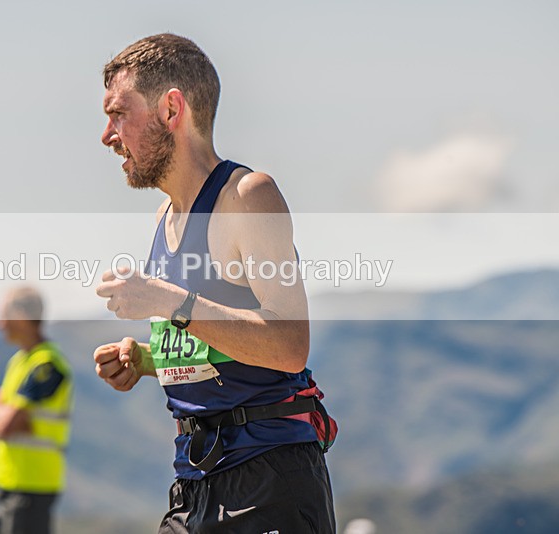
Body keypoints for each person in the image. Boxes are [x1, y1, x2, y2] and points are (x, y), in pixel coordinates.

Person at [94, 34, 337, 533]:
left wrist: (168, 300)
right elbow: (214, 339)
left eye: (119, 113)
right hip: (193, 480)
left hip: (270, 478)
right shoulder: (164, 216)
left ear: (171, 109)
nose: (107, 134)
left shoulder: (250, 196)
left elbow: (290, 345)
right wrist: (145, 359)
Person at [0, 286, 73, 534]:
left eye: (4, 315)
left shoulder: (47, 364)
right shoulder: (19, 361)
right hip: (9, 486)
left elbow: (4, 424)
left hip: (32, 488)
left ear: (20, 316)